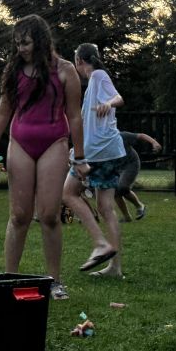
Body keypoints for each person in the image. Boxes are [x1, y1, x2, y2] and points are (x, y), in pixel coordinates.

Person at [0, 15, 84, 301]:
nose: (21, 49)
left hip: (54, 143)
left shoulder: (65, 71)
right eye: (17, 44)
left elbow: (75, 116)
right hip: (20, 144)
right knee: (19, 216)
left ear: (40, 40)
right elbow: (3, 111)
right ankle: (9, 280)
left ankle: (54, 282)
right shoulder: (15, 71)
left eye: (25, 43)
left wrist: (80, 156)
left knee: (49, 215)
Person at [63, 43, 126, 279]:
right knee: (106, 208)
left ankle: (101, 243)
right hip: (109, 150)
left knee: (68, 193)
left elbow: (118, 98)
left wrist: (109, 103)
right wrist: (76, 149)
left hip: (99, 152)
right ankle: (115, 268)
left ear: (79, 61)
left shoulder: (98, 76)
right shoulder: (93, 83)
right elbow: (88, 123)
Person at [114, 131, 162, 222]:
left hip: (131, 164)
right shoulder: (101, 141)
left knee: (122, 187)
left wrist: (154, 142)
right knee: (115, 191)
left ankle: (140, 206)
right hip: (117, 166)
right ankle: (126, 217)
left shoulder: (121, 136)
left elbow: (141, 135)